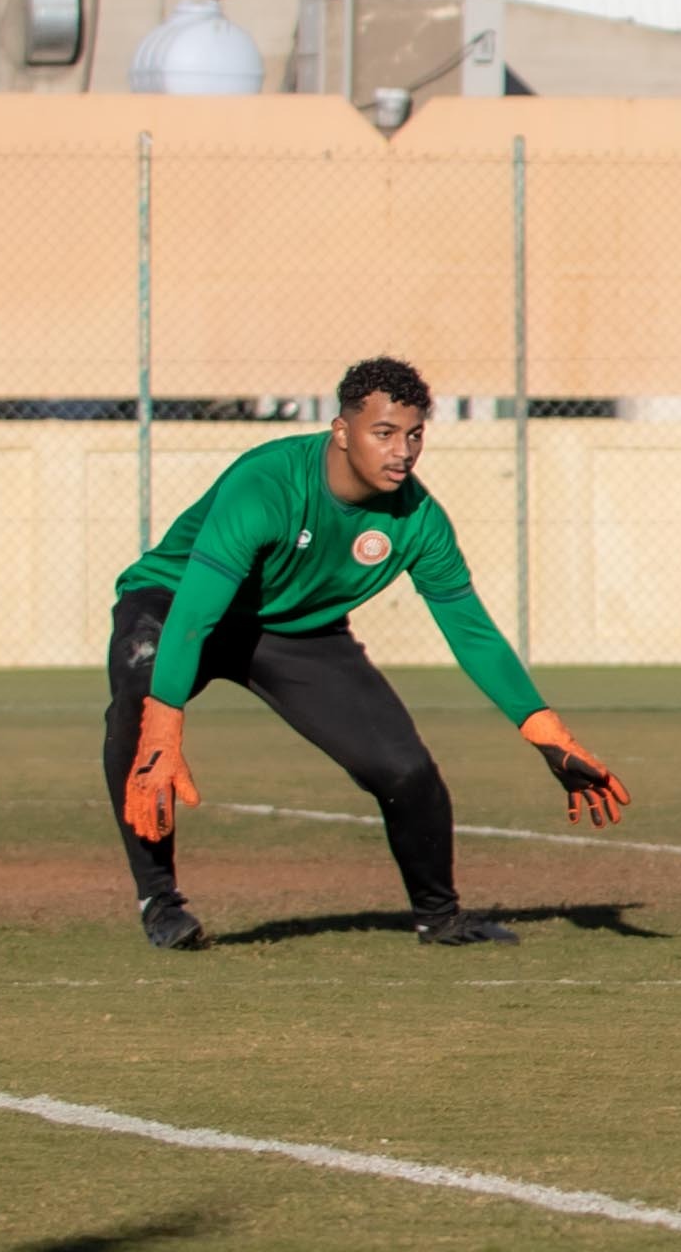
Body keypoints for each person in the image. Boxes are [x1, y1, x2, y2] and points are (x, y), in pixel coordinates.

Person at [105, 356, 631, 950]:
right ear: (341, 431)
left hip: (297, 631)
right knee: (139, 699)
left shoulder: (417, 520)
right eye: (383, 433)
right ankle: (161, 902)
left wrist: (546, 731)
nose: (402, 451)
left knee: (407, 772)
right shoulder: (268, 485)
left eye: (413, 435)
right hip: (178, 601)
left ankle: (440, 917)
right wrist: (164, 723)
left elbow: (471, 631)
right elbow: (198, 612)